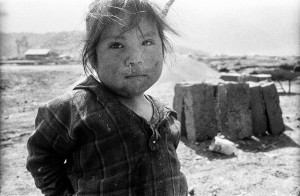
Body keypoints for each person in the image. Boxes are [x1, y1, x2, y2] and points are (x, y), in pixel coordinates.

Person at [26, 0, 188, 195]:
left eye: (147, 42)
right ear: (93, 57)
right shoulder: (74, 110)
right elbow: (42, 157)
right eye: (117, 45)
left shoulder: (166, 116)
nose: (136, 58)